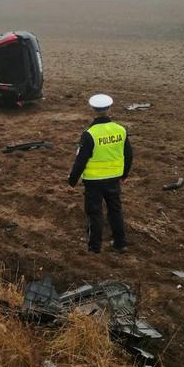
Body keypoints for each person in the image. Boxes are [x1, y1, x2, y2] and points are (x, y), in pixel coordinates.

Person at [67, 94, 133, 253]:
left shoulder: (89, 134)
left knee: (94, 213)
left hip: (93, 182)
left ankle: (95, 247)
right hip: (114, 179)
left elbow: (81, 160)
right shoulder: (120, 130)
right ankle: (120, 243)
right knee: (115, 210)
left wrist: (72, 180)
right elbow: (128, 155)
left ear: (93, 110)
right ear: (109, 109)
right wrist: (124, 175)